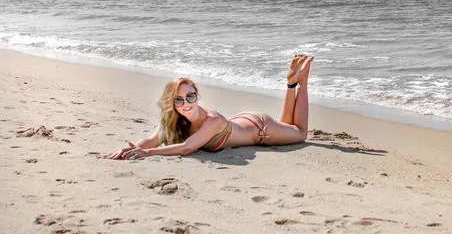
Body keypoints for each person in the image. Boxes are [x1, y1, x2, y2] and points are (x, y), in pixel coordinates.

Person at [107, 54, 314, 159]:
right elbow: (153, 139)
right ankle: (291, 83)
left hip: (261, 129)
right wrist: (132, 149)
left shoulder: (212, 120)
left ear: (197, 94)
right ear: (172, 103)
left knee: (300, 133)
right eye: (179, 100)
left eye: (190, 96)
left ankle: (300, 83)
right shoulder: (174, 120)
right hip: (240, 121)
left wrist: (148, 154)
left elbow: (187, 147)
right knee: (288, 125)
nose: (186, 103)